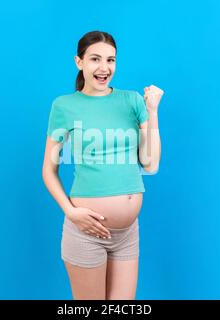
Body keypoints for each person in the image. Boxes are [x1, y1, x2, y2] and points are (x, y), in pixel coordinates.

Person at [42, 30, 163, 300]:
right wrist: (70, 212)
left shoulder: (132, 101)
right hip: (86, 232)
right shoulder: (64, 106)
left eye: (111, 60)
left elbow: (151, 163)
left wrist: (152, 111)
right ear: (79, 62)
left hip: (127, 233)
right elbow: (48, 170)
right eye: (95, 59)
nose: (104, 68)